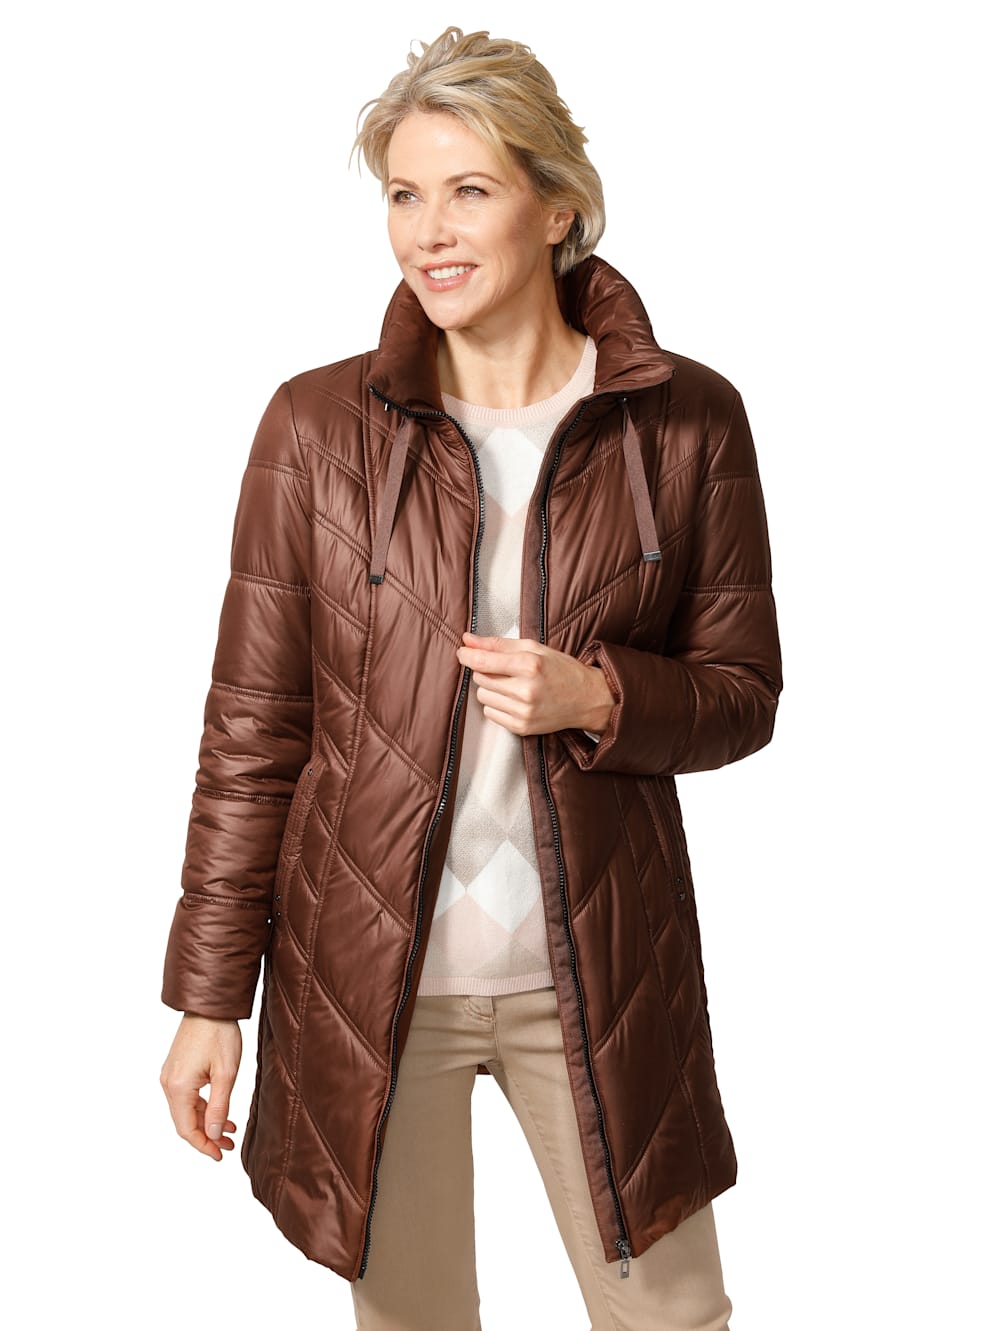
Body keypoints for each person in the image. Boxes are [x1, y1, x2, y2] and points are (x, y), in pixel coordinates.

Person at [159, 26, 782, 1331]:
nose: (428, 231)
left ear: (557, 206)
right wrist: (210, 999)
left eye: (469, 189)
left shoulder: (685, 421)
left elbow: (741, 690)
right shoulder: (316, 430)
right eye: (404, 193)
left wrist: (601, 699)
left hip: (599, 969)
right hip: (370, 977)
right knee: (416, 1321)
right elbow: (253, 735)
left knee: (674, 1318)